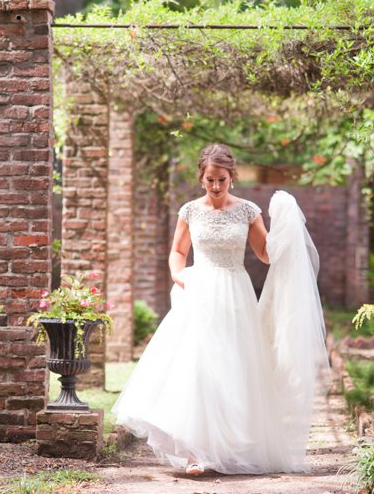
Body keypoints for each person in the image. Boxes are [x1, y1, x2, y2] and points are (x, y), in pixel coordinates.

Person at [113, 144, 328, 476]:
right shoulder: (190, 212)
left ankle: (229, 447)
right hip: (199, 291)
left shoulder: (247, 211)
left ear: (232, 178)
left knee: (233, 367)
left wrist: (285, 224)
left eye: (222, 181)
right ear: (202, 178)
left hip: (235, 294)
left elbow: (265, 255)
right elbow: (177, 252)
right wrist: (178, 275)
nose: (215, 187)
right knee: (198, 367)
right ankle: (196, 452)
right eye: (210, 180)